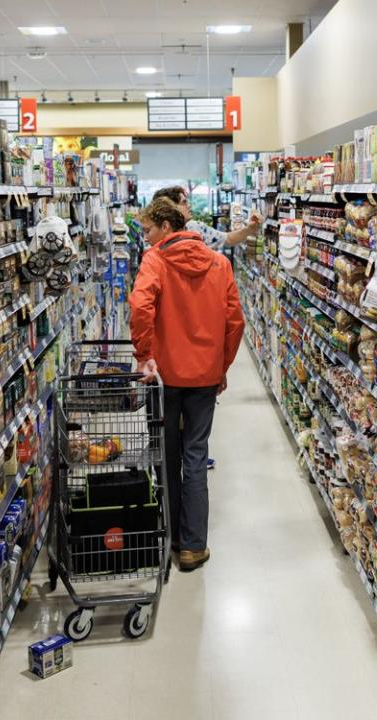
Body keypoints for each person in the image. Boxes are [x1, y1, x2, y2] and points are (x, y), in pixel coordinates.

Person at [129, 198, 245, 571]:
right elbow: (235, 321)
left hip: (164, 377)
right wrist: (222, 365)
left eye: (147, 230)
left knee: (167, 453)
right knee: (196, 455)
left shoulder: (155, 261)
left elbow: (140, 307)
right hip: (204, 378)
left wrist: (144, 354)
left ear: (166, 226)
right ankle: (193, 546)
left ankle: (173, 537)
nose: (146, 238)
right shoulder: (219, 262)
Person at [151, 185, 262, 252]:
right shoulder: (157, 234)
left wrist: (249, 229)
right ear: (171, 207)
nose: (189, 206)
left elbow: (228, 238)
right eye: (184, 202)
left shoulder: (195, 228)